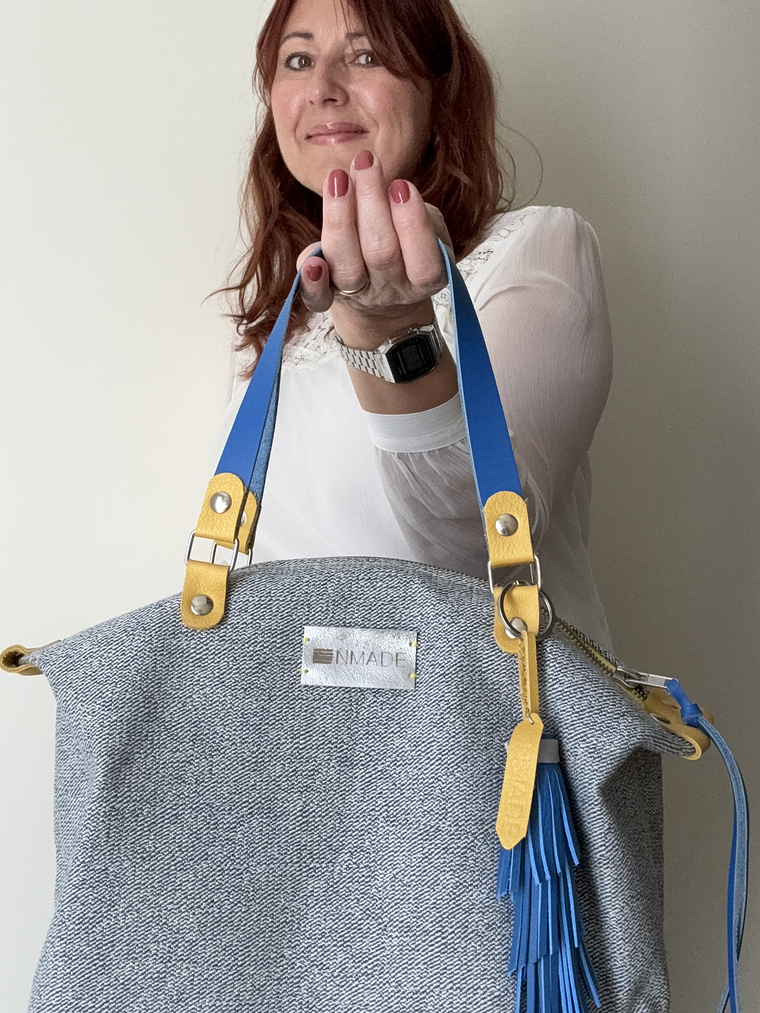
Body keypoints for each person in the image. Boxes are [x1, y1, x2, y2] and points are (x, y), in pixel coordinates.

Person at [214, 0, 613, 648]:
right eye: (298, 59)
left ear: (439, 89)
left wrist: (391, 332)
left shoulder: (536, 250)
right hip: (287, 716)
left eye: (366, 54)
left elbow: (488, 548)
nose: (323, 88)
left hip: (480, 714)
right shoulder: (273, 329)